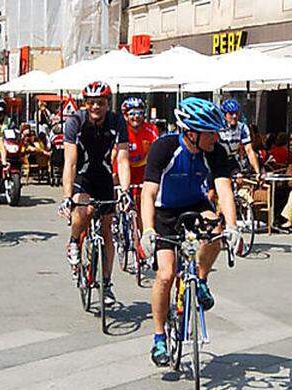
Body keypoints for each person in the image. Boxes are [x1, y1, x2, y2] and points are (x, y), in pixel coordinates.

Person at [139, 97, 238, 367]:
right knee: (166, 274)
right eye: (211, 132)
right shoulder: (164, 147)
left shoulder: (215, 152)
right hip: (165, 212)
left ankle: (201, 280)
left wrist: (232, 226)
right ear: (191, 133)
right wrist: (147, 230)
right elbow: (148, 193)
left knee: (216, 229)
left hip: (195, 205)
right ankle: (159, 337)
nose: (216, 138)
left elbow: (224, 189)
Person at [60, 81, 132, 305]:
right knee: (84, 210)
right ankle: (74, 240)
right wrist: (66, 197)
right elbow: (70, 162)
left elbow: (122, 158)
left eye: (100, 103)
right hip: (82, 174)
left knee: (108, 230)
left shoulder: (117, 121)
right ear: (85, 104)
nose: (96, 107)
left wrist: (125, 191)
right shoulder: (75, 122)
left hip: (103, 175)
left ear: (107, 104)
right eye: (91, 103)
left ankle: (107, 284)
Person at [121, 96, 160, 188]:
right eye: (132, 113)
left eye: (140, 113)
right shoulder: (121, 129)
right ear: (125, 116)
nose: (137, 116)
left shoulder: (152, 129)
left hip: (144, 173)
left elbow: (157, 153)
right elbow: (114, 156)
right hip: (124, 172)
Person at [218, 99, 261, 176]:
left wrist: (258, 172)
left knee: (239, 178)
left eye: (236, 113)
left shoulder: (242, 128)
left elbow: (249, 150)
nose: (234, 116)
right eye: (231, 114)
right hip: (217, 160)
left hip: (231, 160)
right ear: (224, 115)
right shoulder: (218, 127)